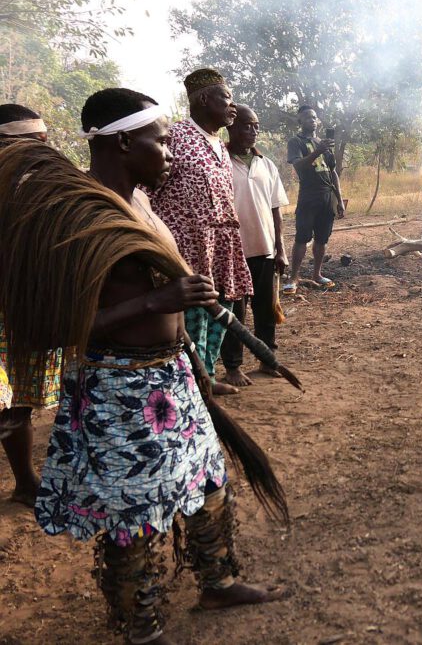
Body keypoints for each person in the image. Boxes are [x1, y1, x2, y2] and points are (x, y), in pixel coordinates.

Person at [0, 87, 285, 645]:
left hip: (169, 374)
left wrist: (187, 337)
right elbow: (55, 326)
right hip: (117, 387)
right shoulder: (76, 215)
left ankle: (217, 581)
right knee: (131, 518)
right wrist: (153, 303)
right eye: (160, 142)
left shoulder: (138, 198)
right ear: (127, 142)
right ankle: (141, 626)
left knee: (207, 481)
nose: (171, 154)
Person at [149, 68, 251, 397]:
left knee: (222, 309)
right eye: (227, 99)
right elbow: (147, 187)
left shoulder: (221, 147)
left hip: (221, 243)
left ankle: (208, 372)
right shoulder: (175, 136)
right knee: (195, 311)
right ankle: (193, 379)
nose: (232, 107)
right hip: (186, 245)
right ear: (205, 100)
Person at [0, 104, 62, 506]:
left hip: (21, 307)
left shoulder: (44, 183)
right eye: (31, 144)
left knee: (17, 400)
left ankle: (24, 482)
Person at [220, 105, 290, 387]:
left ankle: (267, 359)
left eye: (255, 126)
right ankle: (233, 366)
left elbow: (276, 210)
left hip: (264, 249)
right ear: (231, 127)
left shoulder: (267, 164)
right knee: (235, 312)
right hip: (233, 252)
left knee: (265, 308)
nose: (251, 131)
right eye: (245, 126)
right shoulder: (220, 162)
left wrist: (280, 248)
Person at [284, 105, 344, 293]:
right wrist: (318, 150)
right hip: (309, 195)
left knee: (322, 238)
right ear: (300, 121)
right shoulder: (296, 141)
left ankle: (317, 274)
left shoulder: (323, 142)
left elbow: (333, 172)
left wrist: (339, 199)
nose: (313, 120)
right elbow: (299, 166)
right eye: (308, 117)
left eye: (315, 117)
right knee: (302, 237)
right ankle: (294, 277)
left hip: (327, 196)